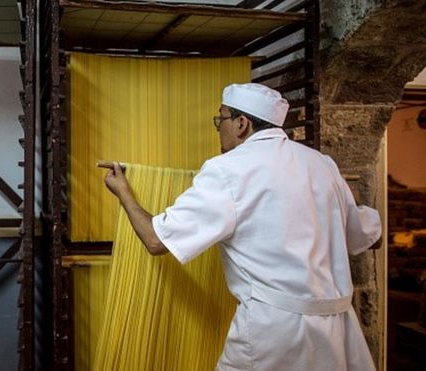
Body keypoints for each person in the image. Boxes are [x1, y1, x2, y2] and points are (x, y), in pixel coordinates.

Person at [104, 83, 381, 370]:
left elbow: (156, 241)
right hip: (338, 330)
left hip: (276, 332)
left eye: (220, 119)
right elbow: (369, 237)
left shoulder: (228, 169)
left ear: (241, 123)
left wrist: (124, 191)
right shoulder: (322, 164)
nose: (218, 128)